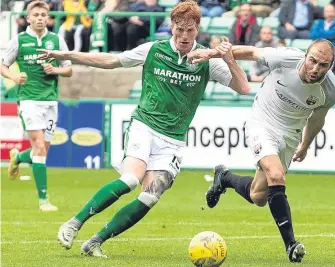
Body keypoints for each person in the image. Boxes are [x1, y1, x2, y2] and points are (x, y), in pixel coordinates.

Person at [38, 0, 250, 257]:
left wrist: (228, 59)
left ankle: (96, 240)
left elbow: (244, 88)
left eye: (190, 30)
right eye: (179, 29)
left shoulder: (207, 59)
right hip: (144, 126)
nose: (184, 36)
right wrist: (67, 55)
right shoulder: (154, 50)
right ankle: (74, 223)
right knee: (130, 179)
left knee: (150, 196)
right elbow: (110, 61)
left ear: (198, 29)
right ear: (171, 26)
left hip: (173, 139)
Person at [188, 38, 335, 263]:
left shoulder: (330, 90)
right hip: (262, 123)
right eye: (312, 61)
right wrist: (210, 53)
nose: (316, 69)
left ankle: (225, 177)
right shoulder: (286, 58)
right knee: (276, 174)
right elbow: (250, 52)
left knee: (258, 196)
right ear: (305, 56)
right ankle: (291, 245)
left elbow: (318, 120)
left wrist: (305, 145)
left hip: (290, 136)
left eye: (323, 65)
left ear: (332, 65)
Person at [1, 0, 72, 212]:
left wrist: (55, 70)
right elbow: (3, 66)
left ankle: (17, 157)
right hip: (29, 100)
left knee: (40, 151)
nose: (40, 18)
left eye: (43, 15)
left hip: (50, 101)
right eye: (36, 15)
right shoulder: (19, 40)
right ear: (29, 18)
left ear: (48, 17)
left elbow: (68, 70)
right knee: (39, 148)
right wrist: (14, 76)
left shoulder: (56, 40)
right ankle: (44, 201)